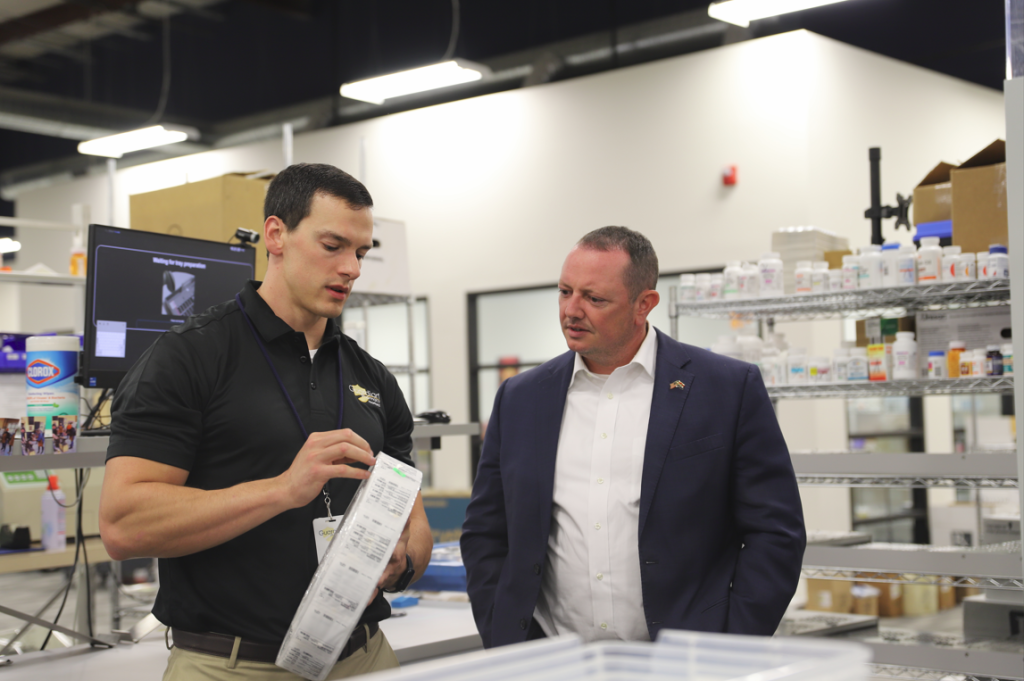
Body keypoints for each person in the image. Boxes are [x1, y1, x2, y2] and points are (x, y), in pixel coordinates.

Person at [100, 163, 433, 680]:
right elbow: (123, 525)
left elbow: (415, 525)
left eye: (361, 253)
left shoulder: (372, 377)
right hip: (233, 664)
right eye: (333, 246)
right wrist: (282, 490)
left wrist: (401, 563)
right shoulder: (190, 357)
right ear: (276, 235)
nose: (351, 268)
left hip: (363, 655)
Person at [461, 226, 805, 648]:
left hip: (684, 663)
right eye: (565, 292)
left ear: (644, 304)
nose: (571, 310)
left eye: (594, 298)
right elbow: (486, 531)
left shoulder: (726, 389)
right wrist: (504, 633)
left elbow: (776, 532)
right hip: (552, 659)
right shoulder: (521, 398)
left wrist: (731, 647)